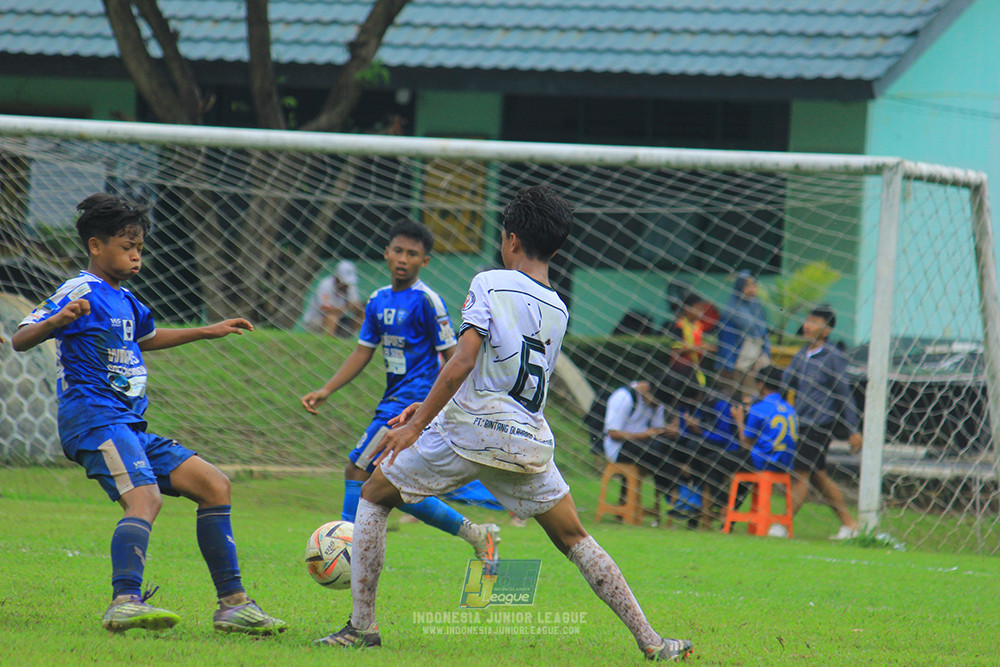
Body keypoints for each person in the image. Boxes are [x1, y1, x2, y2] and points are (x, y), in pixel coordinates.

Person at [313, 186, 693, 661]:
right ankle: (653, 642)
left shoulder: (490, 281)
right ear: (554, 248)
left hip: (470, 428)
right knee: (575, 537)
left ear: (510, 240)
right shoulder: (559, 308)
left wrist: (416, 425)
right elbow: (505, 370)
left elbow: (462, 362)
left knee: (372, 495)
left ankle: (361, 627)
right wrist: (422, 411)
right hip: (525, 439)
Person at [10, 193, 285, 634]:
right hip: (95, 419)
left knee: (215, 485)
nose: (136, 253)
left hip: (130, 426)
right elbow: (21, 338)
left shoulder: (127, 299)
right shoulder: (79, 290)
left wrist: (208, 331)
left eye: (139, 245)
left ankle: (234, 606)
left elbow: (149, 338)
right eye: (126, 245)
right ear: (96, 246)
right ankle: (125, 601)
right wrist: (57, 321)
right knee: (145, 498)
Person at [300, 221, 499, 560]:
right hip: (391, 400)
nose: (403, 259)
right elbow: (363, 351)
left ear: (425, 261)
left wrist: (456, 402)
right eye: (398, 251)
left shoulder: (427, 301)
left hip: (413, 403)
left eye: (412, 254)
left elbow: (455, 357)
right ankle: (477, 535)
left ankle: (346, 553)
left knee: (355, 469)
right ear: (386, 253)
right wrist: (327, 389)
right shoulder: (377, 300)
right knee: (393, 489)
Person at [781, 305, 863, 540]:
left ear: (826, 330)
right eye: (807, 321)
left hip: (819, 424)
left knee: (801, 473)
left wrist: (853, 430)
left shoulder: (833, 357)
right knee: (818, 475)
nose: (807, 325)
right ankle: (849, 524)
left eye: (814, 322)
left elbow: (843, 394)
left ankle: (783, 525)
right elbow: (787, 383)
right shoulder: (801, 355)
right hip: (801, 423)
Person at [716, 271, 770, 401]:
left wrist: (766, 353)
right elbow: (726, 341)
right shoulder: (732, 312)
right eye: (747, 286)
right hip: (739, 365)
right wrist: (727, 365)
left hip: (757, 362)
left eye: (754, 286)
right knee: (745, 399)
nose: (752, 290)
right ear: (739, 288)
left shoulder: (756, 308)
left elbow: (763, 334)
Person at [302, 260, 363, 337]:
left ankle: (350, 338)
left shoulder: (350, 286)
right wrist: (346, 307)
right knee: (332, 317)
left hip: (340, 319)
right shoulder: (325, 285)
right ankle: (327, 341)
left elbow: (355, 303)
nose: (345, 286)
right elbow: (325, 309)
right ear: (337, 278)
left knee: (363, 313)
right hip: (317, 320)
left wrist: (357, 307)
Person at [668, 292, 717, 386]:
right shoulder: (680, 326)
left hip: (695, 370)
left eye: (702, 309)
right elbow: (676, 351)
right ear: (687, 309)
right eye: (698, 309)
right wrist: (700, 347)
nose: (701, 312)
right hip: (680, 371)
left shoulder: (698, 326)